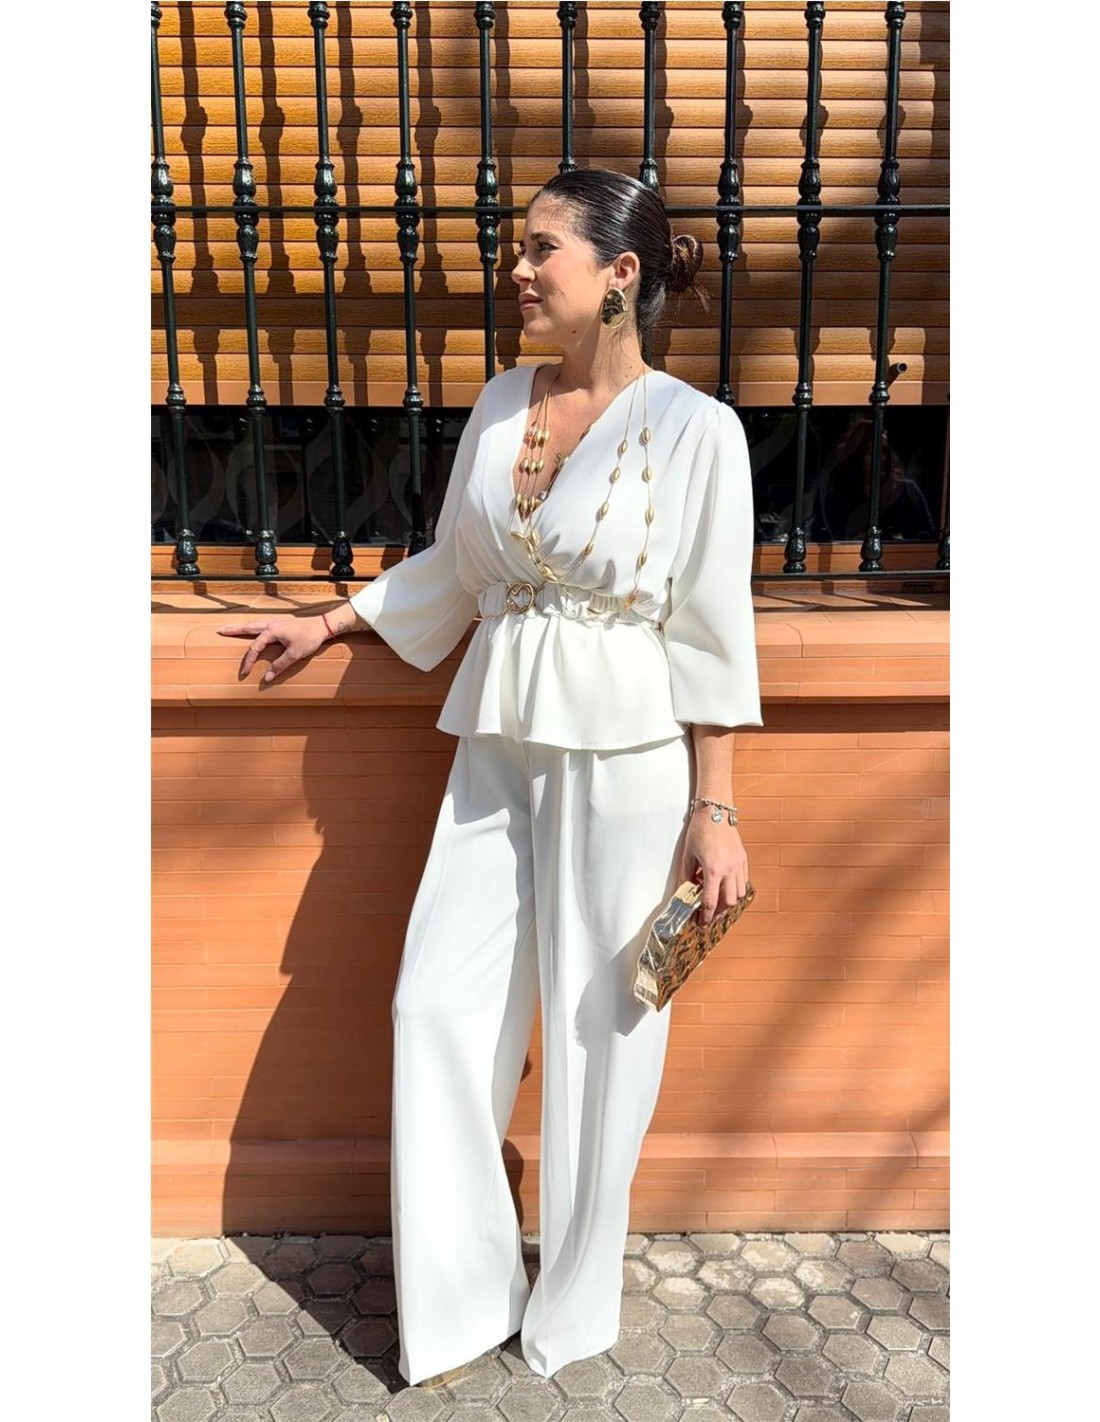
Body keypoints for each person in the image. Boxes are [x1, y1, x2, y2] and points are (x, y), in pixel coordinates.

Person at [220, 168, 762, 1388]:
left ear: (619, 274)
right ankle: (461, 1298)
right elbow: (457, 569)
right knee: (434, 1006)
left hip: (626, 758)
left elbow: (711, 628)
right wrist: (330, 619)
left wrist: (714, 807)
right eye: (517, 248)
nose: (515, 268)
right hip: (494, 742)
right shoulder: (499, 402)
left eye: (541, 248)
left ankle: (572, 1304)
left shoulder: (698, 432)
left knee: (602, 1029)